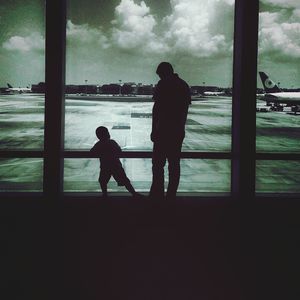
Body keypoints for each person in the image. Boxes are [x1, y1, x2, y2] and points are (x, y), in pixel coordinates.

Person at [149, 62, 191, 200]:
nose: (159, 78)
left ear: (163, 73)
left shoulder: (163, 85)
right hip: (177, 132)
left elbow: (157, 110)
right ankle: (171, 195)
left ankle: (157, 194)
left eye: (160, 75)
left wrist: (154, 130)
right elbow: (184, 111)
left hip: (163, 131)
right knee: (174, 165)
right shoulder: (183, 85)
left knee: (158, 165)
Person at [90, 126, 140, 198]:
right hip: (116, 166)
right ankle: (134, 193)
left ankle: (105, 195)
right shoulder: (112, 142)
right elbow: (119, 151)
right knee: (125, 180)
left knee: (102, 181)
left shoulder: (99, 144)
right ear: (107, 134)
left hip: (105, 166)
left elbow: (92, 152)